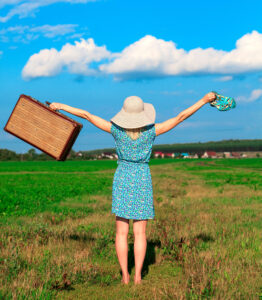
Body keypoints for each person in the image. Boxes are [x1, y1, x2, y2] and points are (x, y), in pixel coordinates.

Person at [50, 92, 216, 285]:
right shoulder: (152, 131)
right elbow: (181, 116)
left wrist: (61, 105)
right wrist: (203, 101)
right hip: (142, 178)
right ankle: (138, 276)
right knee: (140, 233)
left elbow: (86, 115)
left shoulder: (116, 130)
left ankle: (125, 276)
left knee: (121, 232)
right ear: (143, 114)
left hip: (122, 177)